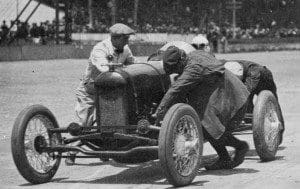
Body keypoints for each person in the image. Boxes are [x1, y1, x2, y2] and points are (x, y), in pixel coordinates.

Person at [154, 46, 250, 170]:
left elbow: (175, 90)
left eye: (176, 69)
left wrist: (159, 112)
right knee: (208, 124)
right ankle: (225, 158)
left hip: (233, 96)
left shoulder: (193, 68)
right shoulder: (195, 54)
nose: (176, 72)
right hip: (225, 89)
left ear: (181, 60)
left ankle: (239, 147)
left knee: (208, 127)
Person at [66, 23, 135, 165]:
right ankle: (71, 151)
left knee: (114, 120)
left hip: (111, 91)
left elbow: (132, 65)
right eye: (125, 39)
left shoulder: (126, 49)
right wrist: (122, 69)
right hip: (90, 90)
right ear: (115, 38)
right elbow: (104, 69)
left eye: (128, 39)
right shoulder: (100, 49)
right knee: (84, 123)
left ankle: (106, 149)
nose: (127, 41)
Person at [223, 60, 284, 143]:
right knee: (247, 106)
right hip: (245, 76)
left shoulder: (253, 73)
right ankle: (248, 121)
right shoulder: (225, 66)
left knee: (273, 105)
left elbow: (244, 93)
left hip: (264, 79)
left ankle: (278, 135)